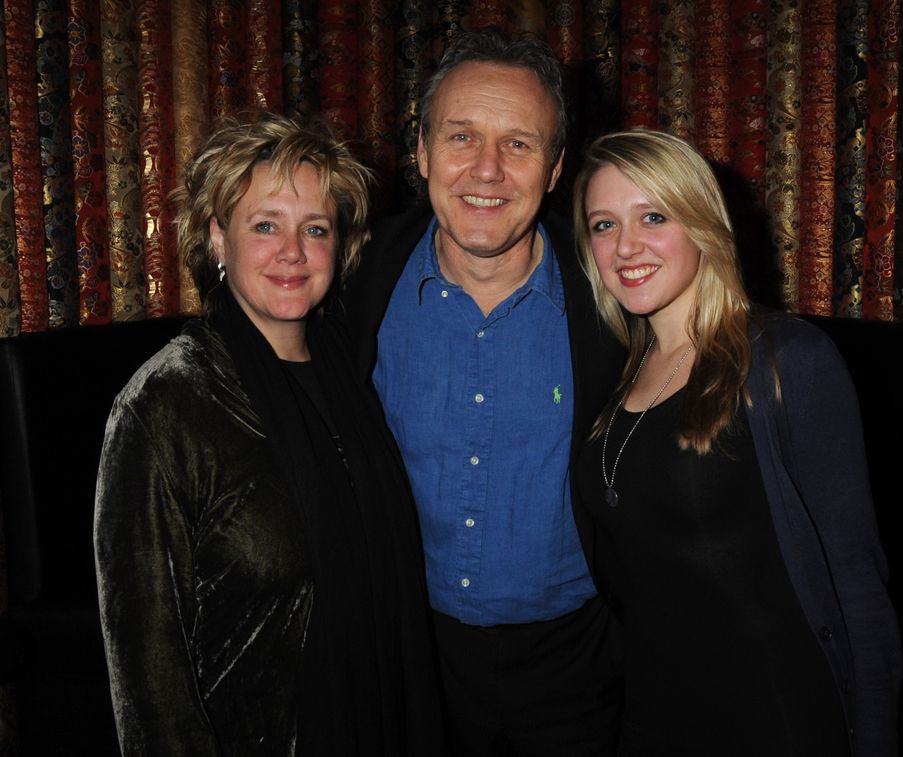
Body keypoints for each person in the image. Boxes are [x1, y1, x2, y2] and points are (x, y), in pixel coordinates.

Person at [94, 112, 444, 755]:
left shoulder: (354, 370)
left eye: (315, 228)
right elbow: (147, 671)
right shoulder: (166, 404)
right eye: (264, 225)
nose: (293, 251)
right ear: (217, 238)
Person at [572, 129, 902, 756]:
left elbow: (857, 583)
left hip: (774, 718)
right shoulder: (614, 372)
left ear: (702, 224)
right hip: (653, 714)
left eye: (653, 216)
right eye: (603, 225)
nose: (626, 245)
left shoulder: (787, 362)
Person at [341, 28, 625, 756]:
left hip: (582, 669)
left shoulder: (619, 294)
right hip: (405, 654)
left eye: (520, 144)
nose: (487, 170)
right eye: (462, 136)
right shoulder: (350, 279)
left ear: (557, 167)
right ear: (424, 152)